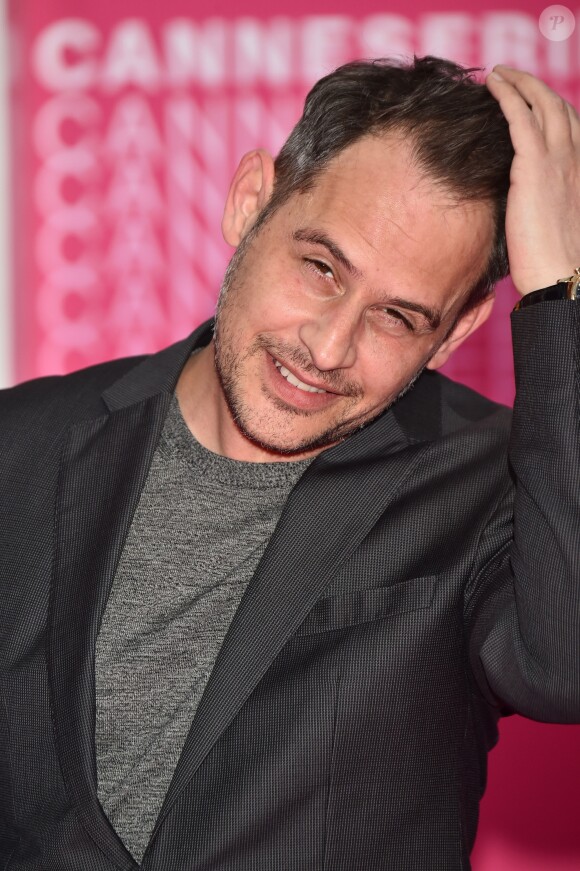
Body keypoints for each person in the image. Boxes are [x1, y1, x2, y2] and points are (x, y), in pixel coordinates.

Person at [1, 55, 579, 871]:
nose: (328, 346)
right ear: (250, 201)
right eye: (321, 268)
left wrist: (561, 293)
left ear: (452, 334)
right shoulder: (21, 444)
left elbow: (567, 665)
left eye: (397, 316)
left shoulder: (492, 481)